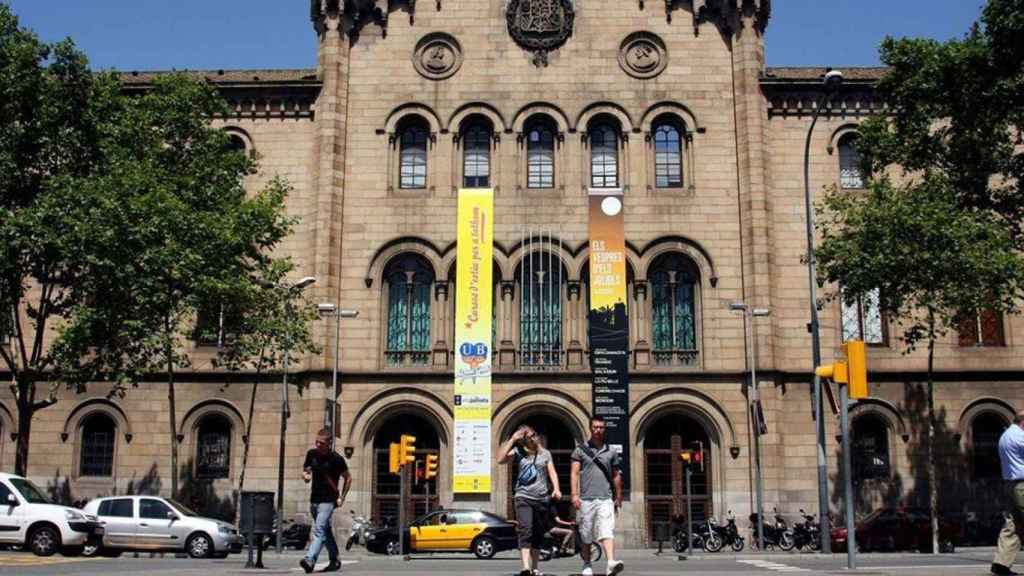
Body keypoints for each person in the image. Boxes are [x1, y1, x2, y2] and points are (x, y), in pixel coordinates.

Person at [499, 424, 562, 576]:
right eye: (530, 436)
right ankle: (525, 568)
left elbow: (552, 472)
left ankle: (535, 568)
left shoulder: (545, 454)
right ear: (524, 440)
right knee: (526, 530)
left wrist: (556, 488)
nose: (534, 438)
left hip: (541, 498)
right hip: (523, 497)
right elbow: (500, 459)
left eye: (534, 434)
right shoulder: (518, 451)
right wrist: (513, 439)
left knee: (538, 534)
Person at [571, 416, 624, 576]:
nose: (598, 430)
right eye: (595, 427)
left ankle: (610, 563)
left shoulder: (611, 451)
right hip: (586, 499)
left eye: (601, 427)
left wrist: (619, 496)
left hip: (605, 498)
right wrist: (574, 494)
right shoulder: (580, 449)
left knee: (607, 530)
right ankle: (587, 564)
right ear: (590, 428)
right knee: (586, 534)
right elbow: (574, 473)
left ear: (604, 429)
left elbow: (616, 475)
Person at [300, 428, 351, 574]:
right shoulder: (312, 454)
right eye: (316, 442)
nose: (317, 445)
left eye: (321, 443)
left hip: (328, 500)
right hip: (314, 500)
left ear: (329, 443)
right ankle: (335, 559)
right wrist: (305, 476)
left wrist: (342, 497)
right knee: (325, 531)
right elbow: (306, 470)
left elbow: (348, 477)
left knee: (319, 529)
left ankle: (310, 560)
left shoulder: (336, 459)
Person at [992, 411, 1024, 576]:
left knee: (1011, 524)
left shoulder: (1005, 435)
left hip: (1010, 484)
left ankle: (1001, 564)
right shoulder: (1019, 437)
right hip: (1022, 485)